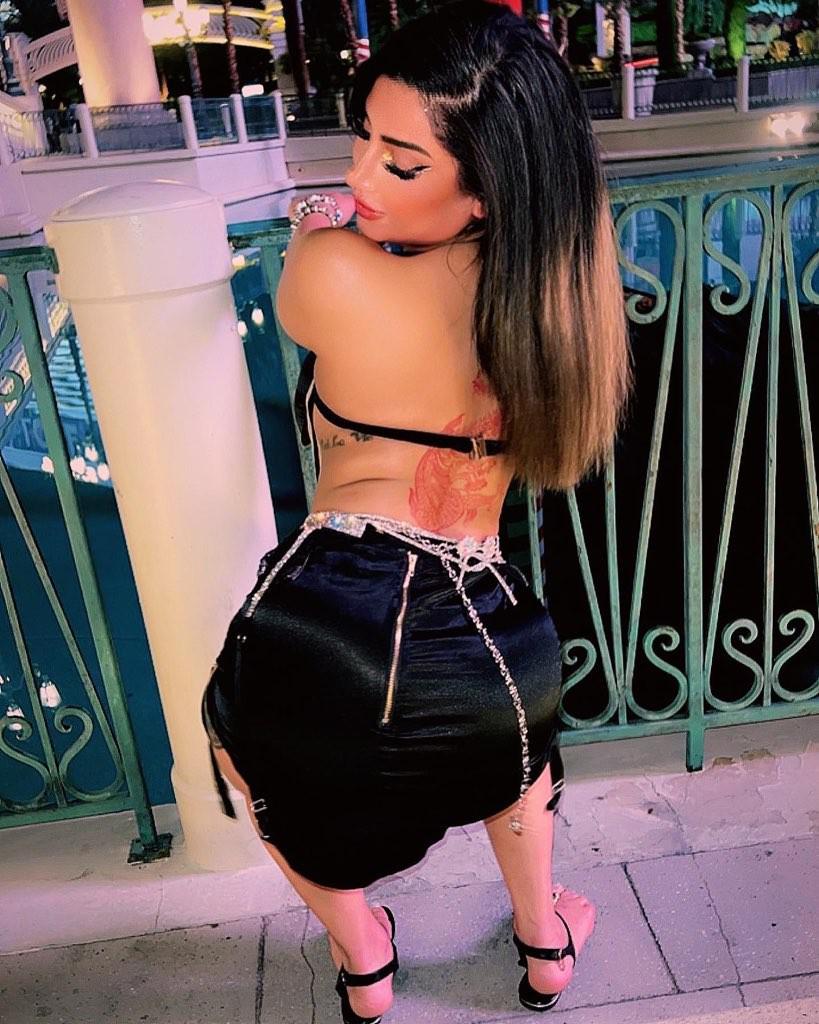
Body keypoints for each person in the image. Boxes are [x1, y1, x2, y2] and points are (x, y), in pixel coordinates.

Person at [201, 2, 631, 1021]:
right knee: (518, 762)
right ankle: (545, 944)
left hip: (325, 617)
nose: (358, 176)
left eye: (399, 164)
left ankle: (364, 958)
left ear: (484, 192)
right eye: (362, 139)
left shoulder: (329, 269)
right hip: (488, 636)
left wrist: (319, 227)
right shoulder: (564, 303)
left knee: (241, 748)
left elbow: (309, 294)